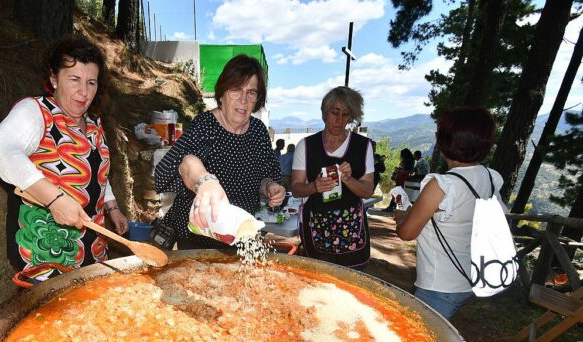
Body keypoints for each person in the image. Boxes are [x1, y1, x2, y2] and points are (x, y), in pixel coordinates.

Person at [0, 36, 129, 280]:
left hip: (93, 246)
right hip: (46, 253)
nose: (84, 91)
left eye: (91, 82)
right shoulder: (36, 112)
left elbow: (96, 171)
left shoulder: (93, 123)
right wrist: (54, 200)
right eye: (74, 79)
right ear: (54, 78)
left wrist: (112, 207)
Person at [154, 55, 284, 249]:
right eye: (236, 90)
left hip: (239, 234)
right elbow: (183, 163)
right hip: (199, 237)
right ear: (222, 93)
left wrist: (270, 187)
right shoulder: (206, 125)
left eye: (251, 92)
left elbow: (264, 176)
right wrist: (205, 182)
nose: (243, 99)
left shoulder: (258, 132)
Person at [395, 106, 503, 319]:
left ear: (443, 142)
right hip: (469, 277)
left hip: (439, 284)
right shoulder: (491, 177)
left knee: (418, 340)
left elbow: (407, 233)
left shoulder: (443, 185)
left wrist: (401, 217)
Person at [290, 86, 375, 268]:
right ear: (324, 112)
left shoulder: (363, 146)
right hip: (316, 227)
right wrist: (314, 187)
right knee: (318, 280)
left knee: (352, 283)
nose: (339, 120)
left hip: (351, 230)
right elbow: (296, 188)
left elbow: (367, 191)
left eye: (345, 114)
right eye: (334, 112)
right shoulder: (306, 146)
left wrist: (349, 179)